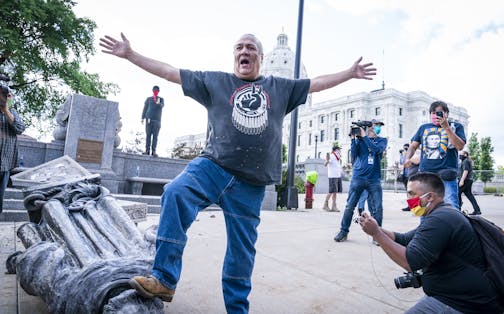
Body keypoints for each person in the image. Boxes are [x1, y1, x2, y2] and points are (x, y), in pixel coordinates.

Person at [99, 32, 376, 313]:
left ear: (261, 57)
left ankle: (237, 309)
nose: (245, 51)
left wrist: (350, 73)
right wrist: (131, 55)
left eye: (251, 47)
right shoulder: (215, 81)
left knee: (241, 253)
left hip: (251, 183)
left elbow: (316, 84)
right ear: (235, 55)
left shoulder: (279, 87)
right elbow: (170, 73)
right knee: (175, 192)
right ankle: (165, 278)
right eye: (239, 47)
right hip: (213, 166)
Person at [359, 172, 501, 313]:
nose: (408, 199)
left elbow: (410, 262)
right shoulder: (443, 213)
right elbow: (404, 239)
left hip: (462, 303)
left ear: (430, 197)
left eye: (411, 194)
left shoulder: (440, 219)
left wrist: (376, 234)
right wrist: (375, 227)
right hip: (456, 297)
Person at [404, 101, 466, 209]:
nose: (435, 115)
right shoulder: (424, 127)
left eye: (438, 113)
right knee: (423, 207)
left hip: (446, 174)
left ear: (446, 114)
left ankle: (451, 226)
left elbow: (460, 146)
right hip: (425, 174)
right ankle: (427, 226)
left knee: (451, 206)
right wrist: (408, 158)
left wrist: (446, 127)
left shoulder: (456, 126)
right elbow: (413, 146)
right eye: (432, 113)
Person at [334, 119, 387, 242]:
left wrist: (365, 137)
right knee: (349, 206)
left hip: (374, 179)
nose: (378, 128)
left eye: (379, 126)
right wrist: (353, 139)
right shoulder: (360, 140)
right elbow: (353, 155)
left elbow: (376, 150)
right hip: (358, 178)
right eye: (376, 125)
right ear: (369, 127)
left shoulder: (382, 141)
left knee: (377, 208)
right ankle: (343, 231)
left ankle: (377, 236)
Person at [0, 85, 25, 214]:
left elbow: (19, 128)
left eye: (8, 95)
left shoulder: (12, 113)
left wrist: (6, 110)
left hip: (4, 164)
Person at [142, 85, 164, 157]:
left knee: (155, 136)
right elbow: (145, 108)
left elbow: (161, 106)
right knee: (148, 135)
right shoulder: (148, 99)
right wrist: (142, 117)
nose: (155, 91)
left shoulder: (161, 99)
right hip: (148, 119)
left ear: (158, 91)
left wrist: (158, 103)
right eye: (154, 90)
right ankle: (147, 150)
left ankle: (153, 151)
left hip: (157, 121)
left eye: (156, 90)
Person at [458, 150, 481, 215]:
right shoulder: (464, 161)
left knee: (457, 193)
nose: (460, 155)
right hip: (468, 180)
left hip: (465, 180)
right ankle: (477, 210)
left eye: (461, 154)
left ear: (465, 155)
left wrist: (462, 181)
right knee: (469, 195)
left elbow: (466, 171)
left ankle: (458, 208)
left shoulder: (465, 161)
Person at [323, 145, 342, 212]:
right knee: (331, 191)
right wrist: (327, 161)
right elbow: (325, 164)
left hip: (337, 175)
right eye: (339, 149)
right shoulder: (332, 156)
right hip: (332, 176)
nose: (340, 151)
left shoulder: (337, 157)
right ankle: (325, 204)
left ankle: (334, 206)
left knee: (335, 192)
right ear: (335, 150)